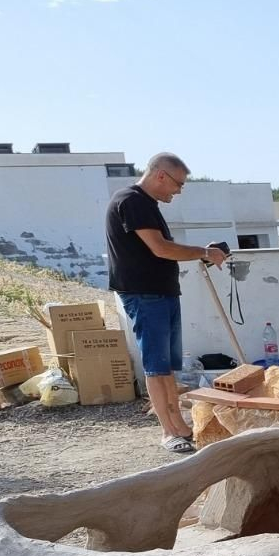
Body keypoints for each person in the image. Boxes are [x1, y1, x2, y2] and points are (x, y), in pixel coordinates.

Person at [104, 152, 227, 453]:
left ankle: (180, 427)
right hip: (146, 295)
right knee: (156, 368)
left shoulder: (147, 205)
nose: (179, 190)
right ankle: (168, 433)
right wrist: (204, 253)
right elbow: (160, 249)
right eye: (178, 184)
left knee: (167, 369)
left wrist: (202, 252)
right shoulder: (132, 201)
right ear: (161, 175)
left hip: (161, 294)